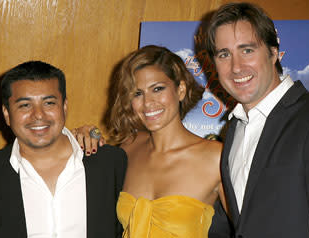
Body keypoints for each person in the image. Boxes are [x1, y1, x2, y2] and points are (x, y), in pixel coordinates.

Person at [203, 2, 309, 237]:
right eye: (224, 54)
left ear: (273, 52)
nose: (236, 67)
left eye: (247, 50)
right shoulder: (234, 129)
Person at [74, 45, 226, 237]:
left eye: (158, 89)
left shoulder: (216, 157)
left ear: (180, 90)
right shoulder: (130, 145)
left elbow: (248, 227)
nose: (147, 103)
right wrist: (87, 135)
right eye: (138, 93)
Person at [0, 61, 127, 238]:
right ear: (7, 114)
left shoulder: (112, 164)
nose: (38, 114)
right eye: (25, 105)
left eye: (49, 103)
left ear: (64, 107)